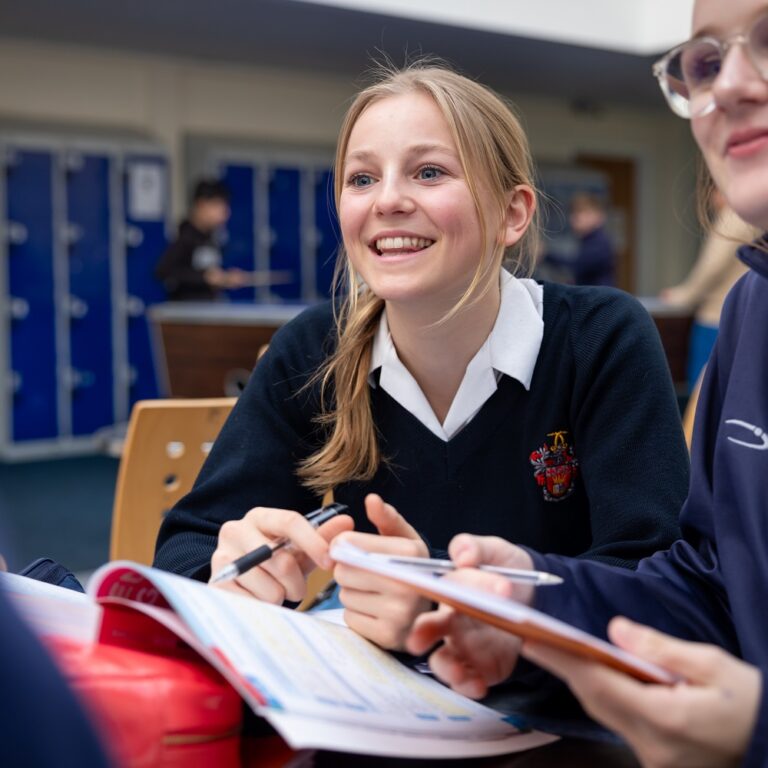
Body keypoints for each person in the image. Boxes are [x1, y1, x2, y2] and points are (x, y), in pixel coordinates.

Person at [154, 63, 688, 654]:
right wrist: (230, 573)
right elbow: (185, 550)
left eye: (429, 172)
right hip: (371, 704)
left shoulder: (599, 339)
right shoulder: (314, 349)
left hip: (556, 714)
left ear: (512, 214)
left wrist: (451, 599)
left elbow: (658, 587)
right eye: (361, 179)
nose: (386, 201)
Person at [408, 3, 768, 763]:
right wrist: (536, 601)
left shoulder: (599, 334)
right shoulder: (753, 309)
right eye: (703, 62)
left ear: (514, 216)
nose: (729, 86)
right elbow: (708, 588)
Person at [660, 188, 755, 389]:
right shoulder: (754, 217)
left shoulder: (732, 217)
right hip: (743, 315)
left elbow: (712, 266)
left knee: (702, 391)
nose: (711, 199)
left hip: (716, 317)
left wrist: (684, 295)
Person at [155, 178, 247, 301]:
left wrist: (226, 278)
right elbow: (164, 271)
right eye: (218, 205)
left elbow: (211, 272)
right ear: (202, 205)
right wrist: (203, 277)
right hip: (187, 312)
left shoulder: (213, 239)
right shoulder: (185, 237)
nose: (225, 213)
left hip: (208, 310)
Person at [543, 193, 617, 287]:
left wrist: (545, 255)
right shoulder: (587, 240)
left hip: (599, 299)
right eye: (573, 213)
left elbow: (576, 266)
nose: (575, 218)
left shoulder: (599, 242)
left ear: (599, 216)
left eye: (582, 213)